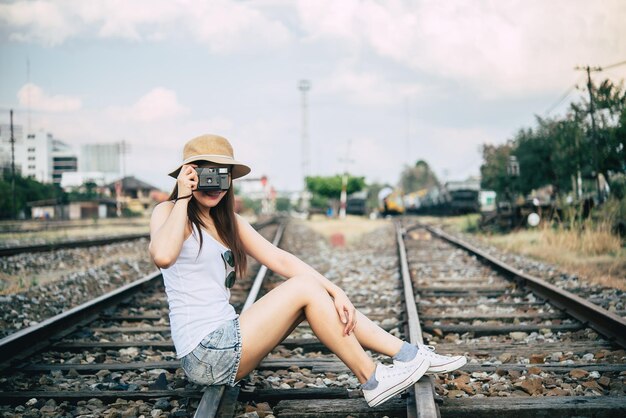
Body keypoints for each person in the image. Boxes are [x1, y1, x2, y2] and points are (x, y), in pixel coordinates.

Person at [149, 134, 466, 407]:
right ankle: (373, 378)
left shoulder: (225, 221)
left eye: (222, 175)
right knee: (304, 288)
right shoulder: (168, 211)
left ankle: (409, 354)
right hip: (205, 352)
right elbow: (162, 256)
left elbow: (280, 259)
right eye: (205, 175)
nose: (214, 184)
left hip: (224, 340)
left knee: (313, 294)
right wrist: (183, 198)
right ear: (187, 175)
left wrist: (335, 291)